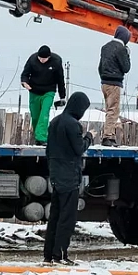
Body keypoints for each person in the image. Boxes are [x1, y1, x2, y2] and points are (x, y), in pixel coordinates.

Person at [44, 91, 91, 265]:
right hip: (69, 176)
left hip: (56, 174)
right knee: (67, 218)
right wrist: (89, 137)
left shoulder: (55, 121)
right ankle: (60, 254)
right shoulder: (73, 125)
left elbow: (49, 151)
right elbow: (79, 149)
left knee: (55, 216)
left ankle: (49, 254)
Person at [19, 45, 66, 144]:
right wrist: (24, 82)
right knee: (35, 116)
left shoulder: (56, 61)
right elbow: (25, 74)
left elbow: (60, 79)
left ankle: (42, 137)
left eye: (44, 59)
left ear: (49, 57)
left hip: (49, 91)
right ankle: (38, 138)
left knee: (44, 113)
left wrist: (62, 96)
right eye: (40, 58)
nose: (41, 60)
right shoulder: (32, 59)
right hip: (34, 90)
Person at [98, 26, 133, 146]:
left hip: (104, 82)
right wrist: (128, 54)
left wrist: (103, 77)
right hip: (114, 83)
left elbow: (100, 66)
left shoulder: (105, 47)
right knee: (113, 110)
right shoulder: (121, 49)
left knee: (109, 109)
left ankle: (111, 136)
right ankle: (107, 137)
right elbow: (126, 68)